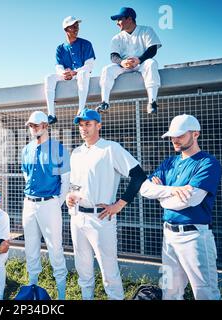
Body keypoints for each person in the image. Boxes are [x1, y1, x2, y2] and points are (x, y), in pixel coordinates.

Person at [66, 108, 147, 300]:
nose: (84, 128)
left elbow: (138, 175)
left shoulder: (111, 148)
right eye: (81, 124)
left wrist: (119, 204)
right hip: (77, 216)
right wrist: (71, 195)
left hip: (101, 218)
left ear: (98, 125)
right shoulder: (76, 152)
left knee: (109, 269)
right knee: (83, 267)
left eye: (88, 124)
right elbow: (75, 184)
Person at [139, 114, 222, 300]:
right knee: (169, 292)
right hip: (168, 235)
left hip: (194, 237)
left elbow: (188, 200)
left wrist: (160, 196)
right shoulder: (169, 162)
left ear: (195, 134)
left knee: (205, 293)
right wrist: (173, 189)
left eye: (180, 135)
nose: (174, 140)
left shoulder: (208, 163)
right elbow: (145, 189)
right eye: (172, 136)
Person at [21, 111, 70, 299]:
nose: (33, 128)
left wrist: (57, 203)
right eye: (31, 125)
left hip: (49, 204)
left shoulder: (58, 149)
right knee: (31, 248)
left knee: (55, 249)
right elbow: (27, 175)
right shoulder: (26, 149)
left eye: (36, 125)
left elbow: (65, 181)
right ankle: (31, 292)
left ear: (46, 125)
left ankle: (62, 295)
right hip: (29, 204)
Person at [97, 7, 162, 114]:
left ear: (129, 19)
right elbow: (114, 56)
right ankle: (104, 102)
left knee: (152, 63)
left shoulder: (146, 30)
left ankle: (152, 102)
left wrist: (139, 60)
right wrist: (122, 62)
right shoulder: (116, 37)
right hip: (124, 65)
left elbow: (152, 49)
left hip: (142, 63)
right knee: (106, 69)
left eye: (119, 19)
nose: (117, 23)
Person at [44, 16, 96, 124]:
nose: (76, 29)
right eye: (73, 27)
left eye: (77, 26)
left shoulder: (86, 44)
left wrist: (74, 72)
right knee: (49, 77)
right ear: (66, 30)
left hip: (80, 75)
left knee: (83, 73)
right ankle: (51, 115)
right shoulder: (60, 48)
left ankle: (80, 110)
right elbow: (58, 66)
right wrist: (64, 73)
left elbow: (89, 65)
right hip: (66, 76)